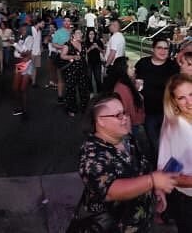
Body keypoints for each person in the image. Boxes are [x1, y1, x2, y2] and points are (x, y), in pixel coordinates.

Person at [72, 93, 177, 231]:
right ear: (100, 121)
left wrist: (155, 190)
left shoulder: (126, 139)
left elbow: (141, 168)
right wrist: (152, 181)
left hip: (138, 223)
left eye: (124, 113)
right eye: (118, 115)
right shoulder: (91, 154)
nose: (125, 119)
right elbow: (111, 191)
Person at [158, 76, 192, 231]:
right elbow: (171, 173)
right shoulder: (179, 127)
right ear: (174, 101)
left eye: (191, 94)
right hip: (187, 200)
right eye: (181, 98)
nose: (189, 102)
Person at [136, 38, 179, 157]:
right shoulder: (143, 63)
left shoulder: (172, 66)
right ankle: (157, 168)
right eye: (159, 47)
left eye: (166, 48)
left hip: (167, 112)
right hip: (148, 112)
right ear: (153, 49)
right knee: (155, 144)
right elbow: (136, 81)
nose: (163, 51)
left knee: (168, 143)